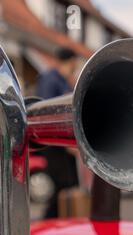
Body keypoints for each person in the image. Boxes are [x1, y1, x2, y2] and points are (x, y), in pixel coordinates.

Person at [36, 47, 79, 219]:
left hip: (63, 144)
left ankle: (61, 222)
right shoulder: (51, 81)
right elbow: (49, 113)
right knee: (61, 186)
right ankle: (49, 223)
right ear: (71, 61)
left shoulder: (63, 81)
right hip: (54, 144)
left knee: (69, 186)